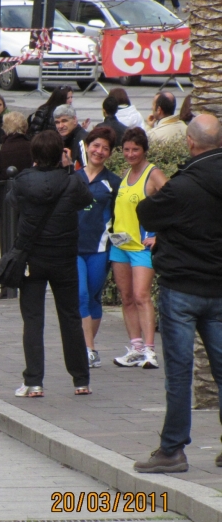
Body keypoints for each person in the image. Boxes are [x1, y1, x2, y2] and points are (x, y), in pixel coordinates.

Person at [133, 114, 222, 473]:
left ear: (190, 143)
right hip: (219, 288)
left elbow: (146, 212)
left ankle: (173, 449)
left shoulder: (183, 186)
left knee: (180, 373)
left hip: (182, 289)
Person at [8, 130, 94, 397]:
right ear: (61, 153)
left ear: (34, 155)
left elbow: (12, 203)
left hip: (33, 257)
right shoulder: (72, 181)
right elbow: (87, 202)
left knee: (33, 319)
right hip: (65, 257)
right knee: (70, 317)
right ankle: (81, 379)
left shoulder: (22, 181)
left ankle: (33, 381)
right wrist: (69, 170)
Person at [110, 127, 168, 369]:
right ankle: (135, 347)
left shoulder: (153, 173)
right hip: (120, 245)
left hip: (141, 248)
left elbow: (175, 201)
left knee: (142, 296)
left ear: (144, 150)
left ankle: (150, 351)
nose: (131, 154)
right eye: (126, 150)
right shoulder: (126, 174)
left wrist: (159, 236)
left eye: (135, 149)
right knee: (127, 297)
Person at [76, 127, 122, 368]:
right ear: (87, 146)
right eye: (96, 145)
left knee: (94, 297)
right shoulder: (73, 178)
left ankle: (88, 348)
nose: (99, 151)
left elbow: (120, 217)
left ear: (110, 153)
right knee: (81, 295)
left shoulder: (114, 182)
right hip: (73, 249)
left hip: (100, 249)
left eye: (105, 148)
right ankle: (89, 349)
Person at [54, 104, 89, 170]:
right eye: (57, 122)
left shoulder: (83, 140)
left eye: (64, 121)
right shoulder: (60, 140)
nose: (60, 126)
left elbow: (87, 172)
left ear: (75, 120)